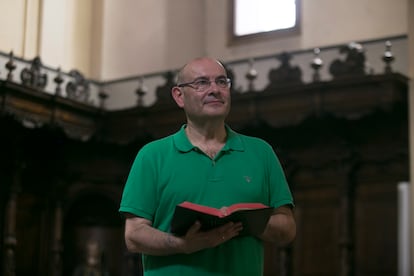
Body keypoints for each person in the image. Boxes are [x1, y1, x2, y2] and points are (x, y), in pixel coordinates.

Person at [119, 57, 296, 276]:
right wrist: (182, 244)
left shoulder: (261, 152)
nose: (215, 89)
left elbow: (287, 229)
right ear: (179, 96)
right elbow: (134, 235)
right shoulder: (151, 156)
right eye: (202, 83)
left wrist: (249, 220)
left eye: (222, 82)